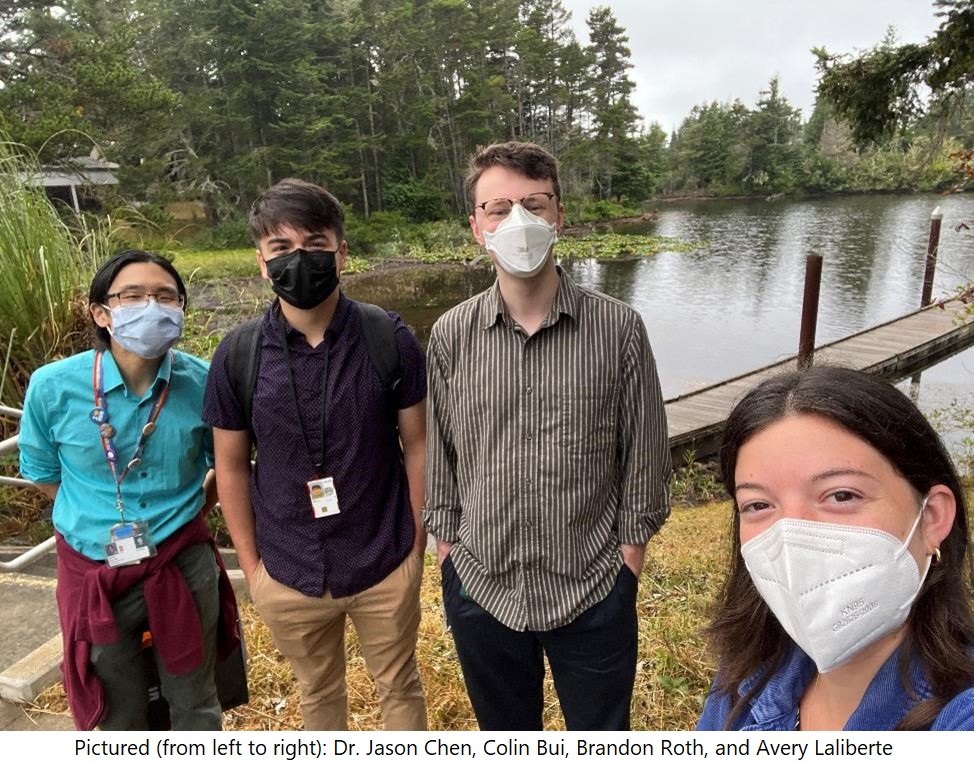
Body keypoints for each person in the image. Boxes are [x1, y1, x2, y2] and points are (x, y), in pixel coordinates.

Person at [424, 141, 671, 730]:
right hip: (482, 586)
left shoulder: (618, 329)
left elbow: (646, 449)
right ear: (476, 227)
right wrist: (449, 552)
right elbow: (440, 453)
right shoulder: (451, 336)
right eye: (499, 208)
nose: (519, 222)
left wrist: (629, 559)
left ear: (560, 215)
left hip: (594, 586)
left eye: (534, 204)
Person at [202, 178, 428, 730]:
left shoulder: (388, 338)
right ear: (261, 262)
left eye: (314, 243)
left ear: (341, 251)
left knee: (399, 685)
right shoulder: (238, 354)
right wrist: (254, 569)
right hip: (287, 567)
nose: (299, 259)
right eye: (281, 249)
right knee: (317, 693)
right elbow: (230, 466)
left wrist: (418, 543)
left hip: (383, 555)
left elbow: (418, 443)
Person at [18, 250, 238, 731]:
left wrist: (193, 509)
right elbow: (40, 469)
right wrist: (92, 513)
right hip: (93, 569)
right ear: (101, 312)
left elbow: (227, 464)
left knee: (195, 698)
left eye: (165, 296)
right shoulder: (52, 387)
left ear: (181, 309)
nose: (152, 307)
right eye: (133, 296)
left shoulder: (204, 383)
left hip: (181, 559)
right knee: (118, 707)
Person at [697, 365, 974, 731]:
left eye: (841, 495)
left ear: (932, 518)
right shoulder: (749, 675)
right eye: (758, 505)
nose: (793, 537)